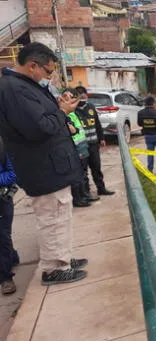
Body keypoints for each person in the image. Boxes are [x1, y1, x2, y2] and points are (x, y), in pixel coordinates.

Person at [0, 42, 88, 285]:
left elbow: (44, 115)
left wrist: (59, 106)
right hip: (43, 168)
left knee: (61, 215)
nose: (49, 77)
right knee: (52, 217)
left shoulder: (25, 86)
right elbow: (39, 128)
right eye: (48, 72)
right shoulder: (15, 90)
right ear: (32, 66)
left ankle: (63, 258)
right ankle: (54, 268)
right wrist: (62, 112)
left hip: (52, 166)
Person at [75, 86, 115, 197]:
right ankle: (86, 192)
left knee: (96, 168)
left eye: (84, 95)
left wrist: (101, 138)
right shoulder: (73, 110)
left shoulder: (91, 107)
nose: (83, 97)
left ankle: (101, 188)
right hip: (81, 146)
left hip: (93, 144)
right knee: (83, 171)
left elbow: (97, 124)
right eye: (80, 95)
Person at [61, 88, 92, 208]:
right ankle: (78, 199)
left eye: (70, 96)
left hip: (81, 145)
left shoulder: (74, 113)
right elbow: (71, 130)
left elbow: (76, 129)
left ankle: (84, 195)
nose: (68, 99)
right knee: (77, 175)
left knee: (83, 173)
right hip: (74, 147)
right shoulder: (64, 114)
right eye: (65, 96)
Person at [0, 137, 18, 295]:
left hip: (2, 200)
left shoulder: (3, 147)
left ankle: (5, 278)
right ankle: (11, 256)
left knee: (2, 236)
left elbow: (13, 174)